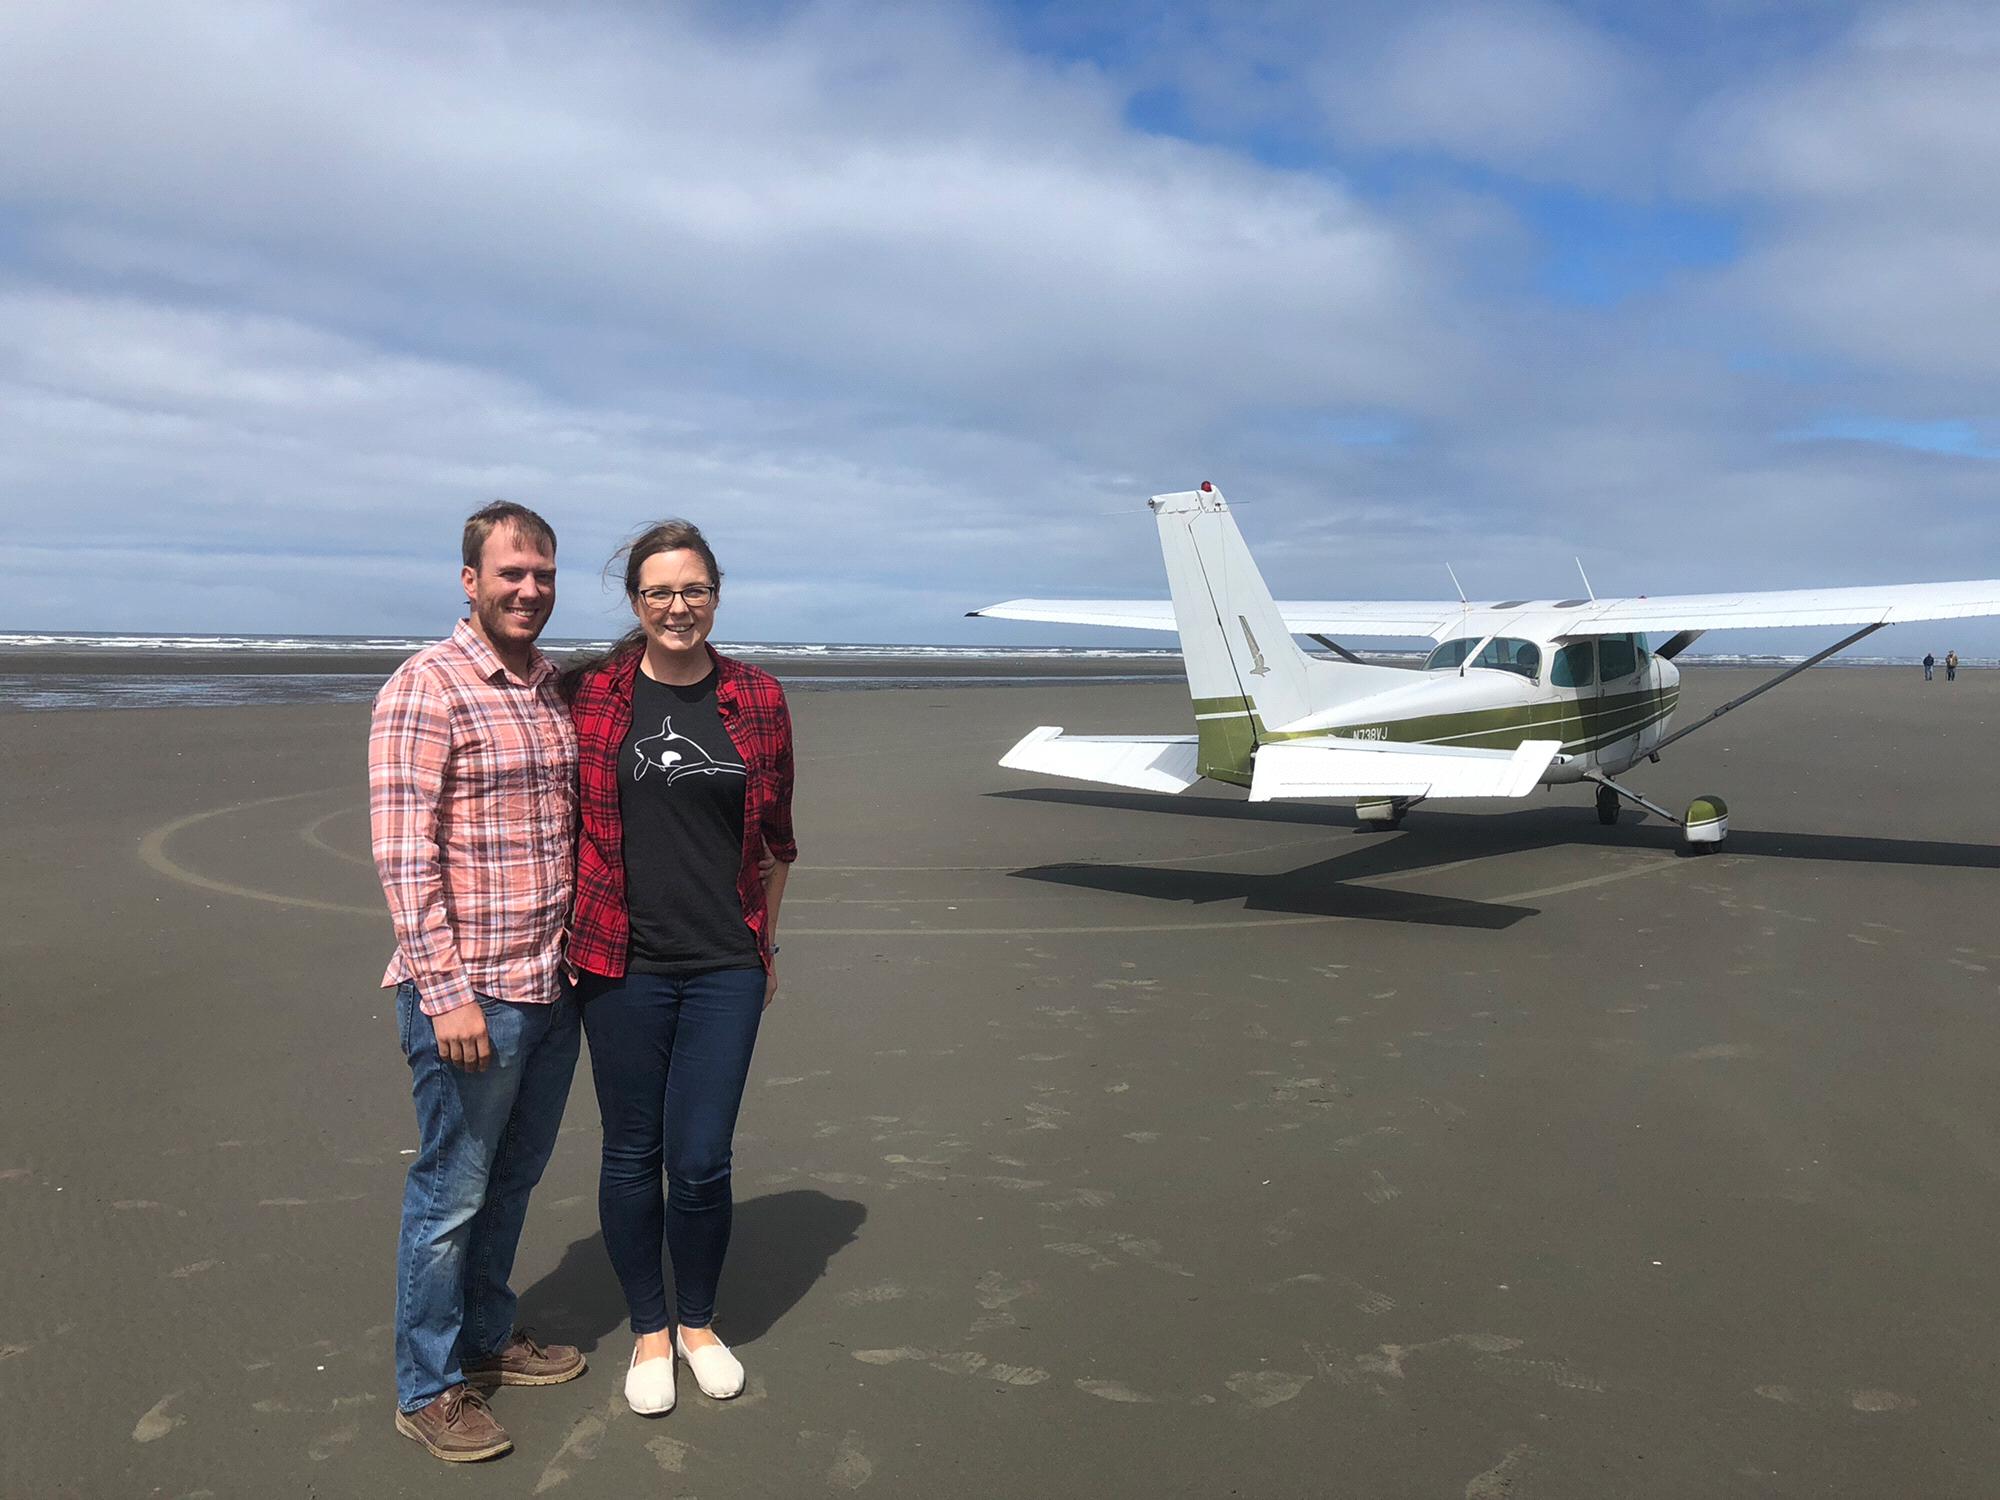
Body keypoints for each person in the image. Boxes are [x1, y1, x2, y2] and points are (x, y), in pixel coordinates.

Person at [565, 519, 796, 1417]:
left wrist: (764, 949)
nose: (677, 606)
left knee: (699, 1159)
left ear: (716, 595)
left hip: (724, 963)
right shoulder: (592, 696)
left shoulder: (759, 698)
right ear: (635, 602)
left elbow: (778, 843)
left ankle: (698, 1323)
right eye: (659, 591)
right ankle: (649, 1329)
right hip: (618, 961)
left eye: (693, 589)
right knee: (633, 1153)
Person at [370, 502, 585, 1463]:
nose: (529, 589)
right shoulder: (428, 687)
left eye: (542, 573)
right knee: (451, 1192)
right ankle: (429, 1386)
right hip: (473, 996)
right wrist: (446, 989)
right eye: (510, 573)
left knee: (514, 1179)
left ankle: (490, 1337)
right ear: (470, 580)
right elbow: (404, 857)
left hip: (554, 986)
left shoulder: (547, 690)